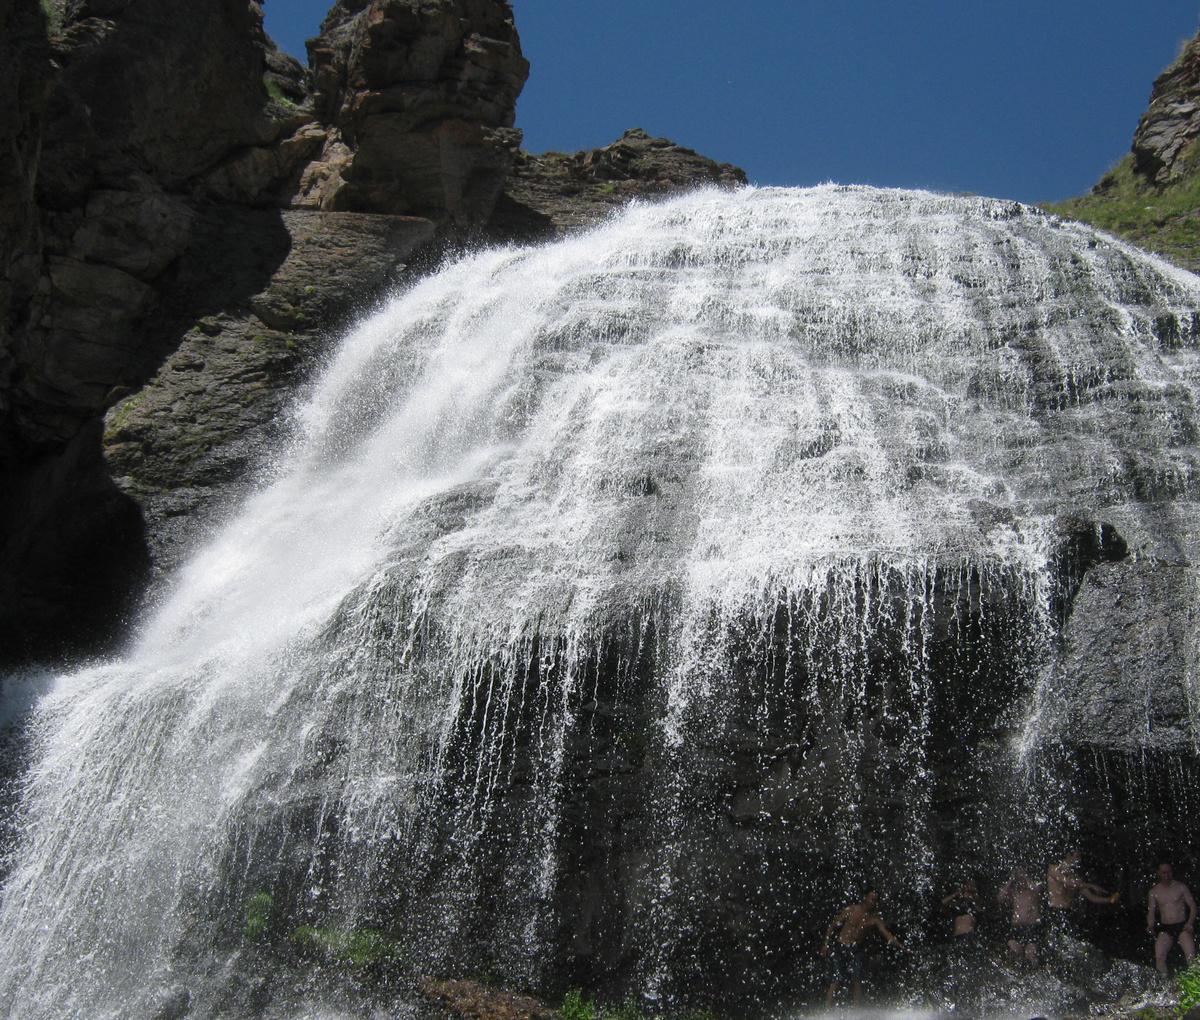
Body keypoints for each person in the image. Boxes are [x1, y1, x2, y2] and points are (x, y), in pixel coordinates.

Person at [821, 888, 903, 1006]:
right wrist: (826, 943)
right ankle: (827, 1010)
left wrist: (902, 947)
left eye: (875, 900)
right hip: (841, 946)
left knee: (857, 981)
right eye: (871, 899)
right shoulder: (851, 909)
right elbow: (832, 926)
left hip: (856, 949)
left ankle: (856, 1012)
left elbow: (888, 937)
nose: (872, 903)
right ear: (865, 897)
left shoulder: (874, 920)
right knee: (836, 980)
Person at [1044, 849, 1119, 949]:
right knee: (1055, 946)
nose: (1080, 860)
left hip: (1070, 913)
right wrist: (1091, 885)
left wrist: (1109, 899)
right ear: (1068, 855)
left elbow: (1091, 897)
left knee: (1071, 946)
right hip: (1056, 912)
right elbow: (1068, 883)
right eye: (1077, 856)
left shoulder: (1075, 877)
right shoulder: (1053, 868)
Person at [1147, 862, 1196, 974]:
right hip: (1166, 928)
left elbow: (1193, 906)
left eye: (1169, 872)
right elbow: (1151, 912)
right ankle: (1164, 984)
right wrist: (1150, 924)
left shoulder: (1181, 887)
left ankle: (1196, 984)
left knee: (1191, 956)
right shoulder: (1154, 892)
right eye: (1164, 872)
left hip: (1182, 925)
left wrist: (1190, 923)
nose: (1167, 875)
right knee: (1159, 956)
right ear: (1158, 873)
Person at [997, 867, 1043, 965]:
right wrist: (1011, 879)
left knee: (1031, 956)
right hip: (1016, 928)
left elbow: (1037, 890)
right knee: (1013, 955)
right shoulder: (1014, 892)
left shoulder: (1033, 890)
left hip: (1031, 927)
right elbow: (1000, 898)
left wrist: (1025, 877)